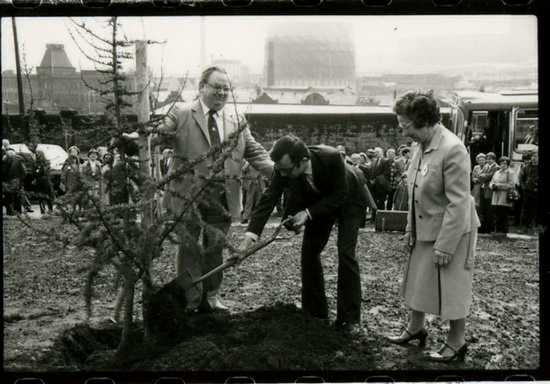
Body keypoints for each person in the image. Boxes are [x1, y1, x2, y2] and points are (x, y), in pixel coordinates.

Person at [154, 66, 273, 312]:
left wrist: (282, 174)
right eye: (216, 86)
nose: (221, 92)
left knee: (215, 247)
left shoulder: (236, 119)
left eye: (226, 88)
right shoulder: (182, 112)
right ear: (201, 87)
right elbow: (157, 134)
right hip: (188, 195)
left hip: (223, 196)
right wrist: (136, 139)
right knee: (188, 248)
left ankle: (211, 297)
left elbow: (254, 152)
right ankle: (191, 300)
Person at [238, 135, 369, 334]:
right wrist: (250, 236)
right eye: (279, 170)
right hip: (320, 201)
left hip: (349, 197)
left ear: (304, 161)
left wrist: (307, 214)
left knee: (346, 253)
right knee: (309, 253)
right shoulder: (284, 168)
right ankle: (315, 313)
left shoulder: (331, 157)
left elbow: (339, 195)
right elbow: (269, 198)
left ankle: (349, 319)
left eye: (286, 170)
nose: (282, 174)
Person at [387, 90, 480, 363]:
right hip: (423, 227)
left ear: (424, 121)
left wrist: (446, 245)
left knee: (452, 287)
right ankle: (416, 328)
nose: (403, 132)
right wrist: (409, 229)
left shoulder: (453, 149)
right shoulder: (420, 147)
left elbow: (458, 202)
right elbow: (415, 191)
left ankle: (456, 341)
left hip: (454, 229)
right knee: (416, 278)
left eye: (406, 126)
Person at [489, 156, 515, 235]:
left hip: (504, 197)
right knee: (496, 213)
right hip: (496, 196)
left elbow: (511, 185)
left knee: (503, 214)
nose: (503, 165)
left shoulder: (510, 172)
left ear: (507, 164)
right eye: (501, 163)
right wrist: (492, 186)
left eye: (505, 163)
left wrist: (498, 186)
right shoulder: (497, 172)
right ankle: (497, 230)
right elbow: (491, 182)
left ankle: (504, 231)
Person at [29, 142, 55, 215]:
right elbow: (34, 172)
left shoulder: (46, 163)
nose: (37, 156)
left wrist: (40, 169)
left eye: (38, 155)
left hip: (45, 181)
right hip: (39, 181)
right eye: (37, 155)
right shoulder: (35, 163)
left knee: (48, 196)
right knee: (41, 197)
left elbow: (45, 171)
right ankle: (43, 211)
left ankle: (50, 209)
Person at [478, 152, 498, 233]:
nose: (488, 160)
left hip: (489, 190)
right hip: (483, 188)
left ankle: (489, 228)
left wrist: (483, 176)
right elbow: (479, 175)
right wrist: (483, 176)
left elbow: (490, 176)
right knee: (483, 209)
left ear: (493, 159)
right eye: (487, 159)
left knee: (489, 210)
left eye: (490, 159)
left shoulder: (496, 167)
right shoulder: (486, 166)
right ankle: (483, 227)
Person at [2, 147, 26, 215]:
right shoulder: (18, 160)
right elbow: (24, 172)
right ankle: (18, 211)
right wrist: (21, 179)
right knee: (16, 196)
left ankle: (10, 212)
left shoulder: (4, 160)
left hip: (6, 182)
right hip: (16, 181)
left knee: (8, 196)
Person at [518, 151, 538, 233]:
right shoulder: (526, 167)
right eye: (533, 156)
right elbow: (521, 178)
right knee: (525, 209)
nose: (534, 158)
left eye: (536, 156)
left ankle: (533, 227)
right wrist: (524, 187)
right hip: (527, 191)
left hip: (537, 192)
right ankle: (524, 228)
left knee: (535, 210)